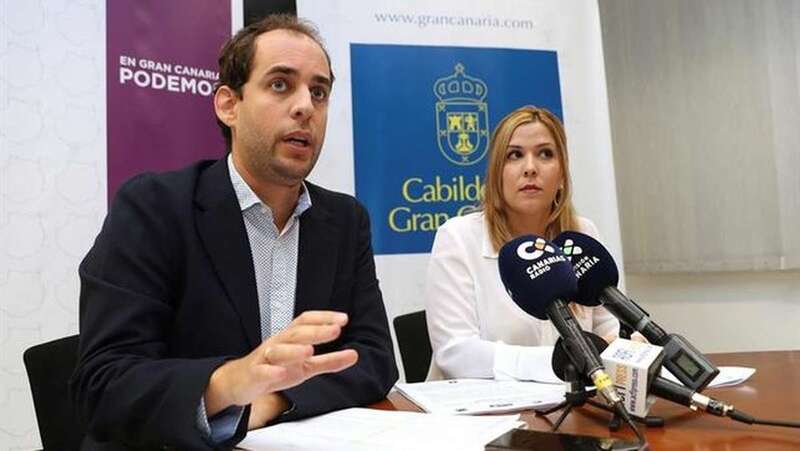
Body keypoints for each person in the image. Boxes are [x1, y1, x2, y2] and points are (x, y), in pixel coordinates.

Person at [70, 15, 397, 450]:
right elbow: (104, 383)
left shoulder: (344, 219)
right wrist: (229, 384)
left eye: (318, 92)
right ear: (229, 105)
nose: (305, 106)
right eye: (280, 84)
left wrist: (274, 399)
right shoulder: (153, 207)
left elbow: (374, 358)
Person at [424, 106, 619, 382]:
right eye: (514, 155)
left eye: (545, 154)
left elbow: (608, 330)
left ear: (562, 175)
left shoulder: (582, 233)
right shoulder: (458, 237)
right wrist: (565, 362)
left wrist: (627, 347)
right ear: (496, 174)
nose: (530, 168)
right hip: (483, 406)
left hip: (579, 402)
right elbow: (456, 353)